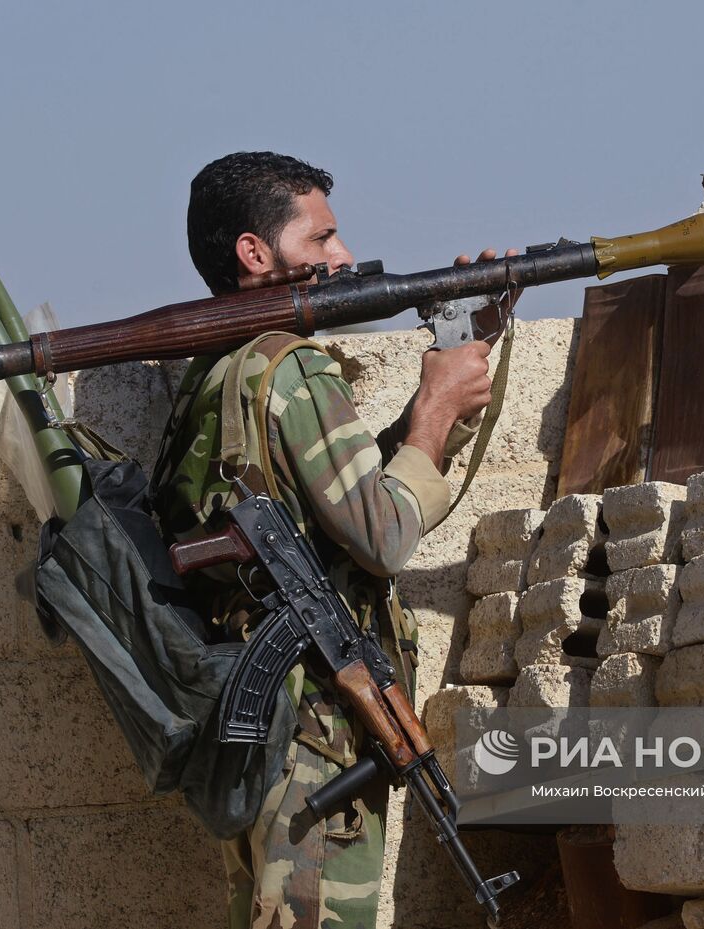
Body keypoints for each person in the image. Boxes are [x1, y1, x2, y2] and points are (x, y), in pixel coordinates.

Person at [152, 151, 501, 929]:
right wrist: (435, 413)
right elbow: (384, 535)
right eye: (321, 238)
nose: (343, 256)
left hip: (260, 730)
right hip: (316, 732)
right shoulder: (295, 368)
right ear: (255, 252)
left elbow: (338, 501)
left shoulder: (221, 371)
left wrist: (449, 384)